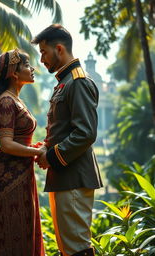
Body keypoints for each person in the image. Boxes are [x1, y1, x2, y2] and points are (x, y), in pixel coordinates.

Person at [31, 24, 103, 256]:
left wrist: (50, 156)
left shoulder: (78, 82)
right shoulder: (66, 81)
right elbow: (64, 129)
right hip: (64, 176)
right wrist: (46, 147)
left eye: (43, 52)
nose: (41, 59)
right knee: (68, 248)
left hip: (73, 177)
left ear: (59, 49)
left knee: (77, 249)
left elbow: (85, 133)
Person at [0, 48, 45, 256]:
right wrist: (37, 153)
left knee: (22, 237)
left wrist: (33, 149)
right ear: (14, 73)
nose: (32, 69)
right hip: (9, 179)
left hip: (20, 175)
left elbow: (17, 140)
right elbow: (7, 144)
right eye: (26, 65)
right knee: (11, 240)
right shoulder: (7, 101)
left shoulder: (14, 99)